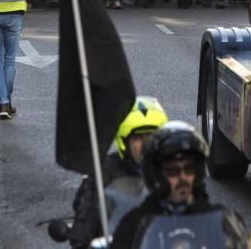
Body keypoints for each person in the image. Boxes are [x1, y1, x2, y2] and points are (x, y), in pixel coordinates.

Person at [110, 121, 248, 249]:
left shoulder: (220, 222)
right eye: (173, 171)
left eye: (189, 169)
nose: (183, 178)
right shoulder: (134, 224)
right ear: (157, 175)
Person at [58, 97, 170, 248]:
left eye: (151, 136)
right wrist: (81, 234)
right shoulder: (104, 172)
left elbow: (193, 209)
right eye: (138, 138)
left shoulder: (172, 171)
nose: (146, 144)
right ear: (124, 141)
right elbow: (88, 210)